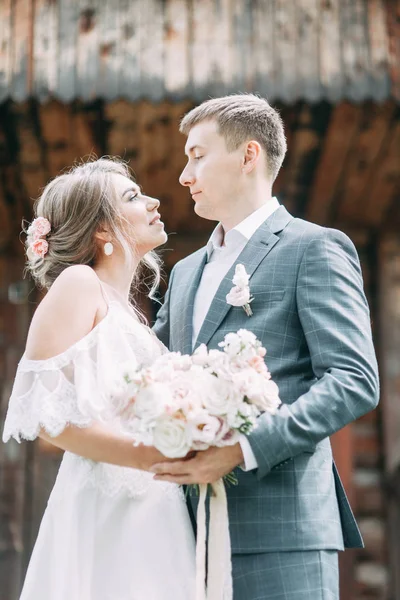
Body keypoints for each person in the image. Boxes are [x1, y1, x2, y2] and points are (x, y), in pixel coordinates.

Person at [152, 94, 380, 600]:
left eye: (197, 155)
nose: (185, 175)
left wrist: (241, 450)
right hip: (183, 533)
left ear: (248, 155)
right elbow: (151, 373)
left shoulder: (313, 246)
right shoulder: (185, 271)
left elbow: (354, 381)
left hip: (283, 530)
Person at [2, 158, 196, 600]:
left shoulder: (130, 311)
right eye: (132, 197)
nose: (153, 201)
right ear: (102, 231)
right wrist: (149, 455)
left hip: (156, 507)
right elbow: (50, 420)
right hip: (109, 507)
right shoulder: (78, 283)